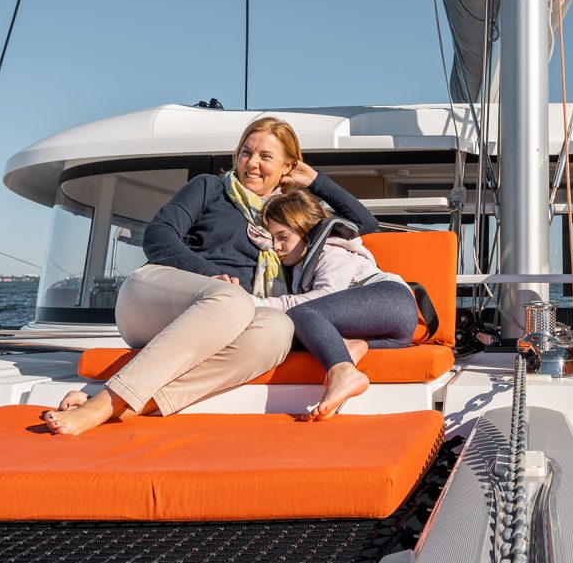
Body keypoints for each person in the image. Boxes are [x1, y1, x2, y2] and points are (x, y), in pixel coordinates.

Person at [43, 116, 378, 435]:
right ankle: (103, 404)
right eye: (246, 153)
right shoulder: (209, 188)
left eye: (265, 156)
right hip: (154, 299)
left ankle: (134, 404)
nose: (252, 163)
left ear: (287, 167)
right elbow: (158, 235)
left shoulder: (291, 216)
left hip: (224, 323)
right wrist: (210, 276)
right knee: (233, 301)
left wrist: (316, 182)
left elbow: (363, 224)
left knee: (277, 329)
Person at [256, 187, 419, 420]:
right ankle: (351, 346)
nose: (276, 246)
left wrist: (257, 304)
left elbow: (323, 298)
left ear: (307, 231)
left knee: (301, 313)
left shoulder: (331, 251)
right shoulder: (300, 268)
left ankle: (344, 373)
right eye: (272, 239)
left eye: (283, 237)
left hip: (392, 299)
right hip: (392, 337)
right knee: (302, 334)